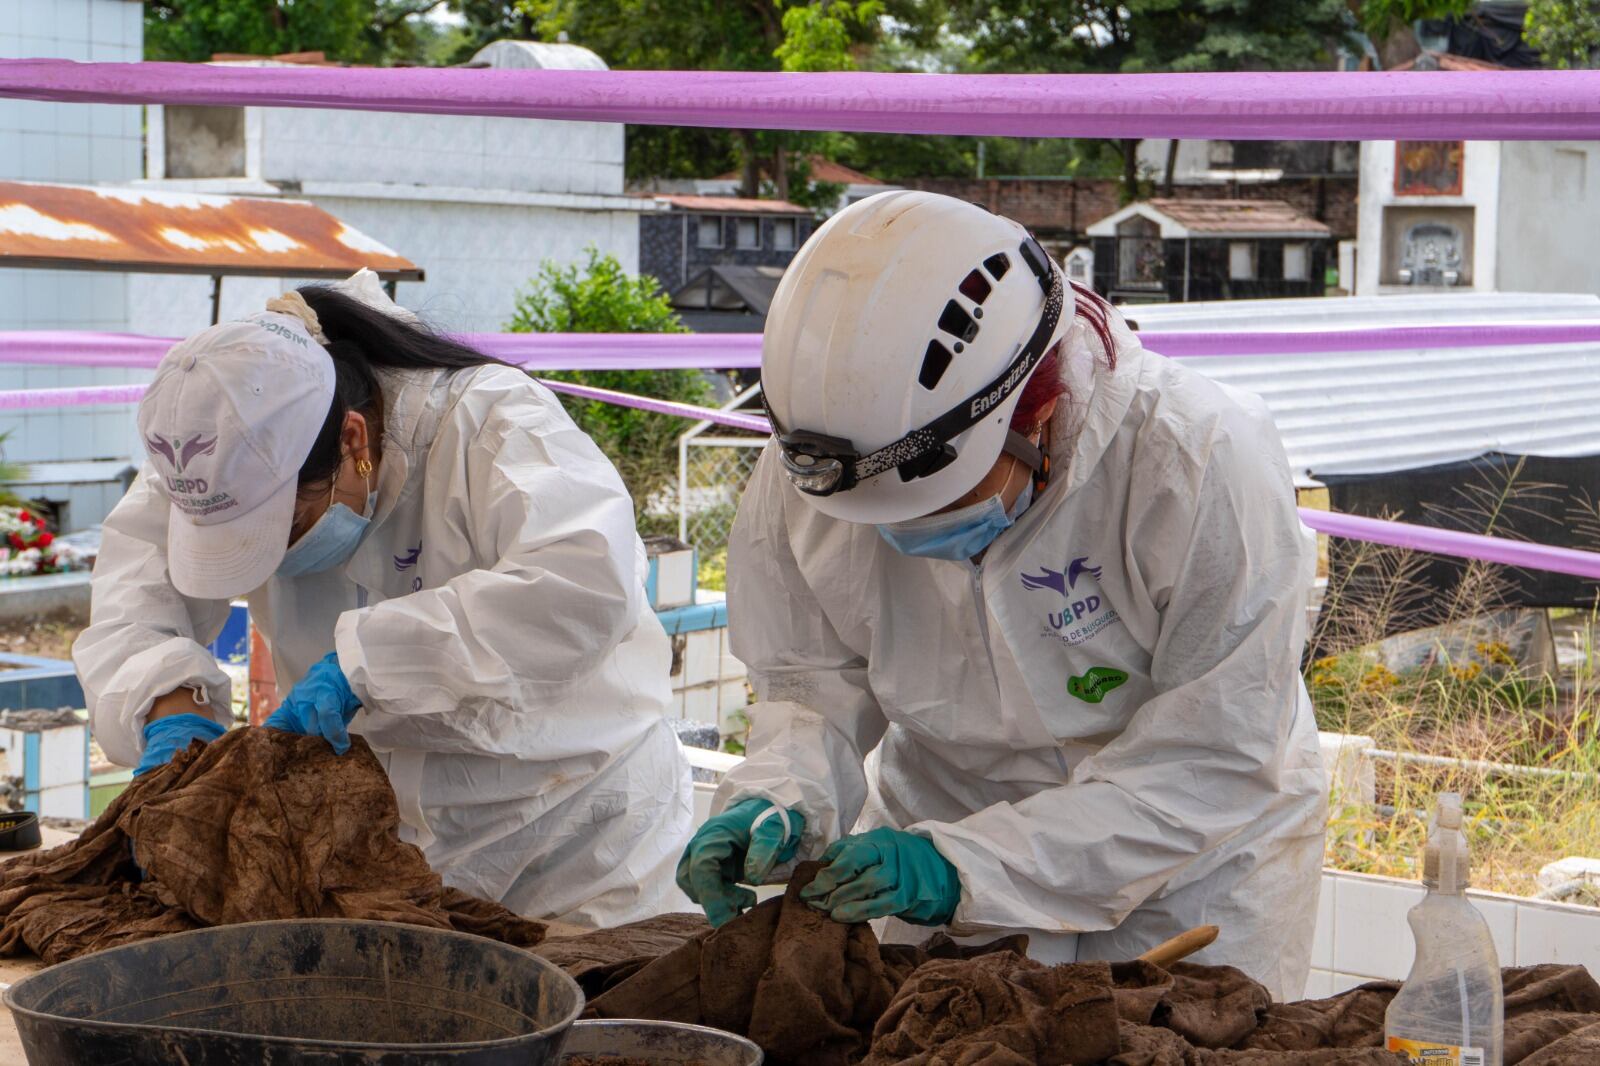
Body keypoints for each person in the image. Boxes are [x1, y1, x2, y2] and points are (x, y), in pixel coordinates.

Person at [676, 191, 1327, 999]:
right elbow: (811, 687)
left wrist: (967, 865)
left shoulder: (1196, 458)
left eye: (936, 501)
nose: (905, 534)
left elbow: (1213, 753)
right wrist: (778, 798)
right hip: (942, 824)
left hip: (1189, 863)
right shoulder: (828, 461)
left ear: (1040, 407)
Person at [74, 272, 694, 926]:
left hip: (577, 843)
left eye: (286, 525)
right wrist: (172, 710)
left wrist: (369, 664)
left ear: (353, 442)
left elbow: (585, 582)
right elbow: (132, 596)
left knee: (586, 1014)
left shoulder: (485, 421)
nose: (273, 560)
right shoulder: (214, 451)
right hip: (386, 859)